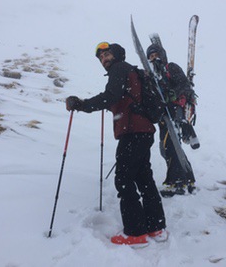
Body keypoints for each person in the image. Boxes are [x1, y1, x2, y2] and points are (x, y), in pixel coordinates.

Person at [65, 42, 167, 247]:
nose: (104, 58)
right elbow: (120, 99)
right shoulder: (131, 72)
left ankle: (136, 233)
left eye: (107, 54)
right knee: (143, 177)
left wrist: (82, 104)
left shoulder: (119, 68)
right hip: (143, 131)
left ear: (117, 54)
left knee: (123, 179)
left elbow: (110, 96)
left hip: (133, 133)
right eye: (101, 57)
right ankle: (156, 227)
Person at [146, 43, 197, 197]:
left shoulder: (171, 68)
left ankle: (176, 182)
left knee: (170, 145)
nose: (155, 59)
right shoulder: (153, 75)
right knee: (168, 147)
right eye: (151, 56)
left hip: (175, 111)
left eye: (157, 55)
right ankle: (188, 179)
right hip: (163, 114)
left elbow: (185, 85)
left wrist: (172, 93)